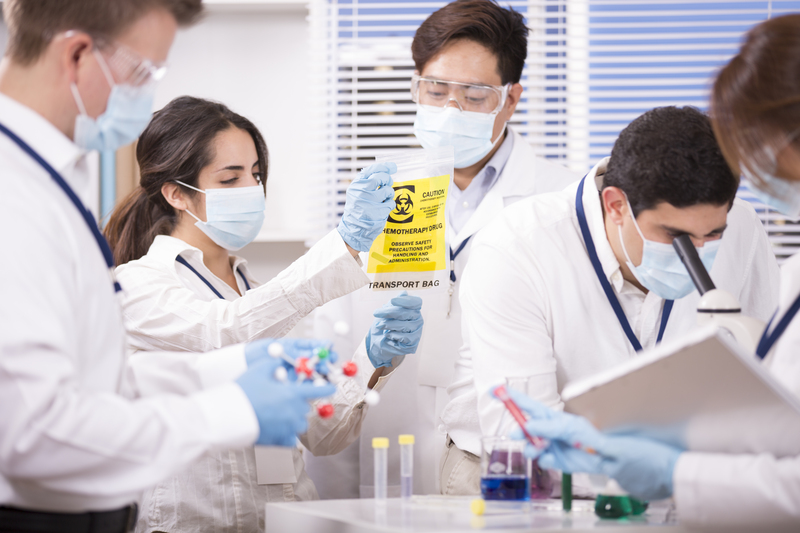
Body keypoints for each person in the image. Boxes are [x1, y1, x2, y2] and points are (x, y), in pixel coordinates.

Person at [0, 1, 336, 532]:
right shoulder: (12, 194)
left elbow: (98, 385)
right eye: (141, 72)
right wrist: (227, 411)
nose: (147, 94)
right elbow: (31, 431)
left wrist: (225, 370)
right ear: (78, 55)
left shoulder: (51, 180)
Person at [506, 14, 800, 529]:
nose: (756, 172)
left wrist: (677, 471)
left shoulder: (747, 234)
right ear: (616, 206)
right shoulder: (523, 241)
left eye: (763, 150)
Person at [104, 96, 423, 532]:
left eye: (255, 174)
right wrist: (344, 243)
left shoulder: (258, 291)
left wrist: (373, 359)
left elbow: (320, 434)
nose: (251, 190)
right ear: (177, 193)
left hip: (281, 520)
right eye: (230, 178)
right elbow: (225, 333)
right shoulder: (138, 284)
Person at [306, 0, 581, 498]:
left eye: (475, 95)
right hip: (389, 471)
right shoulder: (379, 199)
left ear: (510, 98)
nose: (450, 110)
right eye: (435, 90)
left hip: (502, 472)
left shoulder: (561, 204)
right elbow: (334, 358)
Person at [451, 105, 780, 494]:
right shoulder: (516, 248)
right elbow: (522, 434)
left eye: (712, 235)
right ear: (616, 205)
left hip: (690, 482)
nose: (698, 252)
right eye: (675, 236)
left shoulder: (741, 227)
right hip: (532, 485)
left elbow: (771, 380)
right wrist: (666, 470)